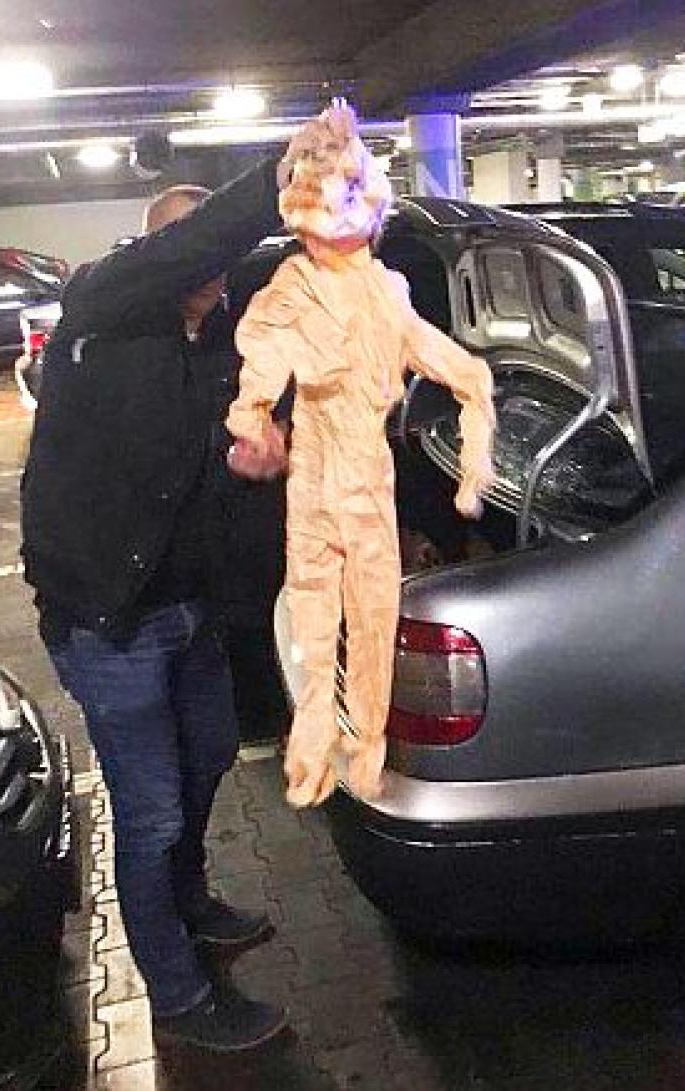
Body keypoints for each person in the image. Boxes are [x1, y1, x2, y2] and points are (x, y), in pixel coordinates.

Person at [21, 161, 289, 1053]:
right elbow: (196, 241)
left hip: (188, 610)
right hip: (110, 620)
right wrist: (284, 175)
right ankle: (177, 994)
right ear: (154, 252)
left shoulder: (216, 350)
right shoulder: (101, 311)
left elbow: (215, 472)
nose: (211, 275)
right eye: (192, 253)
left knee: (209, 756)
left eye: (218, 264)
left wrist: (263, 463)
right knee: (151, 812)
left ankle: (189, 898)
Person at [226, 105, 495, 808]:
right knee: (318, 615)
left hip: (363, 469)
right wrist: (254, 416)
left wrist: (476, 460)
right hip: (319, 466)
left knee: (371, 615)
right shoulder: (294, 286)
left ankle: (361, 750)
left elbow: (459, 368)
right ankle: (318, 745)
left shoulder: (385, 290)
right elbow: (264, 358)